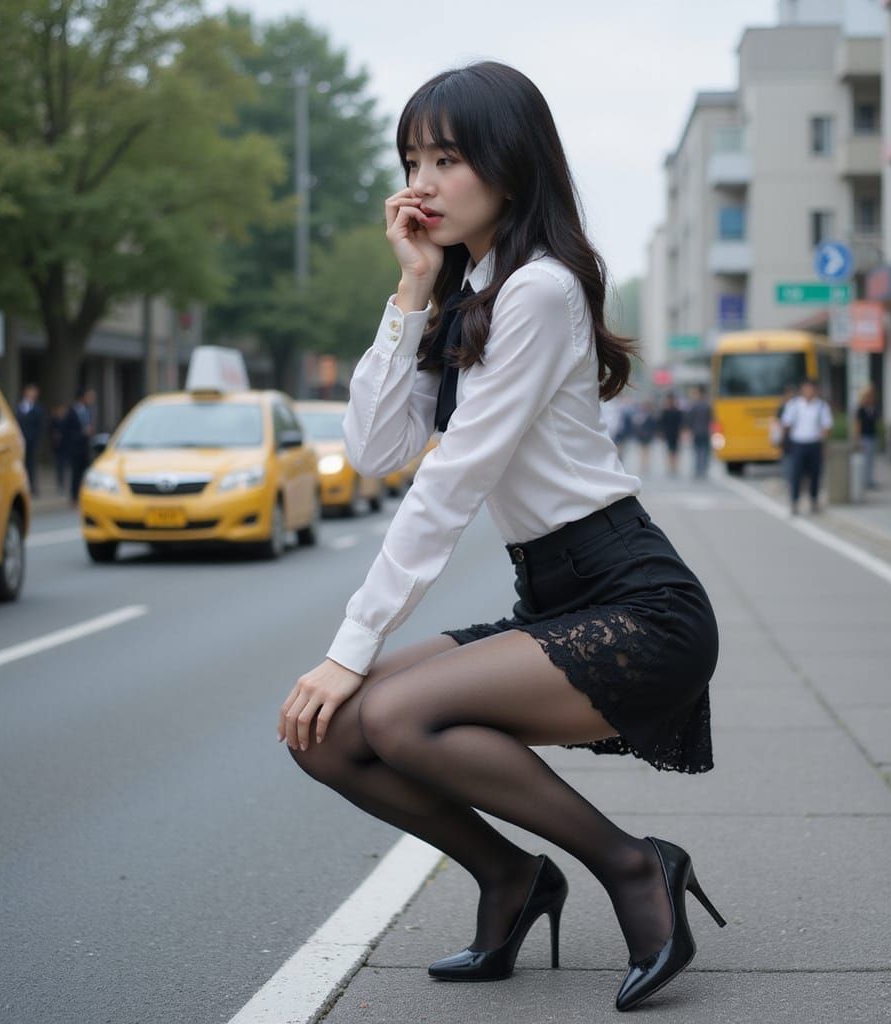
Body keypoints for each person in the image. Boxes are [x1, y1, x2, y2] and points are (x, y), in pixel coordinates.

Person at [278, 62, 724, 1013]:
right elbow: (373, 449)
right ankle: (512, 881)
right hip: (556, 595)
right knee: (323, 738)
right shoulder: (469, 294)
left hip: (636, 605)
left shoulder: (540, 292)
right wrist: (409, 292)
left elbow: (450, 481)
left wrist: (349, 648)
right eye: (411, 159)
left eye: (448, 157)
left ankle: (636, 866)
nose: (422, 182)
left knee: (386, 713)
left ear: (510, 169)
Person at [780, 378, 832, 515]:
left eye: (811, 389)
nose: (808, 391)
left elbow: (827, 426)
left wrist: (823, 440)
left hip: (814, 443)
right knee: (796, 474)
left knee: (815, 474)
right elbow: (786, 424)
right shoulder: (794, 405)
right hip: (798, 444)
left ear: (815, 390)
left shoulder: (821, 406)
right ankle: (794, 502)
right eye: (806, 388)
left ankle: (814, 501)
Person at [61, 388, 96, 502]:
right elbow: (67, 430)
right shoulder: (72, 411)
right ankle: (74, 496)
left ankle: (83, 495)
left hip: (85, 447)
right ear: (82, 397)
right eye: (88, 397)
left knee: (84, 473)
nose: (91, 400)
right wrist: (82, 433)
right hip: (75, 447)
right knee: (75, 473)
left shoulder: (88, 410)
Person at [15, 384, 45, 496]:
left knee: (31, 464)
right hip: (20, 440)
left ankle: (32, 486)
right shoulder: (19, 406)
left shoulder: (38, 408)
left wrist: (36, 439)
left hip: (32, 441)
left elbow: (40, 426)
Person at [855, 384, 880, 490]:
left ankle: (869, 480)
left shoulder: (874, 408)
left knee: (871, 460)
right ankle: (864, 481)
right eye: (867, 395)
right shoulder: (861, 409)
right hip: (864, 437)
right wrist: (858, 438)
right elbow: (857, 424)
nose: (869, 397)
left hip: (873, 436)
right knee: (865, 460)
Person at [685, 385, 712, 479]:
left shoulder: (694, 405)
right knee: (705, 451)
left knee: (697, 451)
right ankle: (703, 469)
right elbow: (711, 419)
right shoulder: (708, 405)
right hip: (705, 431)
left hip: (696, 431)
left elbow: (689, 420)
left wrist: (689, 430)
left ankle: (697, 470)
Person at [773, 384, 796, 482]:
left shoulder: (797, 406)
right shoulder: (782, 408)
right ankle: (789, 480)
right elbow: (778, 424)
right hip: (786, 439)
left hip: (797, 439)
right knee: (787, 460)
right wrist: (779, 438)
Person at [630, 399, 658, 476]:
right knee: (643, 451)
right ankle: (643, 465)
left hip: (647, 436)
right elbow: (635, 427)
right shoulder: (638, 415)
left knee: (646, 451)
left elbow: (653, 427)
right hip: (641, 436)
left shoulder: (651, 416)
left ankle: (645, 465)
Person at [658, 392, 683, 476]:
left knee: (674, 451)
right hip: (669, 433)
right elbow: (661, 423)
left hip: (674, 433)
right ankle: (671, 466)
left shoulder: (676, 411)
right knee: (670, 450)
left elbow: (681, 423)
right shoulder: (665, 411)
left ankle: (673, 466)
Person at [49, 404, 68, 492]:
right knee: (58, 465)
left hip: (64, 446)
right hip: (57, 446)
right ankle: (59, 482)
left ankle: (62, 482)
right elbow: (50, 430)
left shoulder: (66, 420)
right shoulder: (54, 420)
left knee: (63, 465)